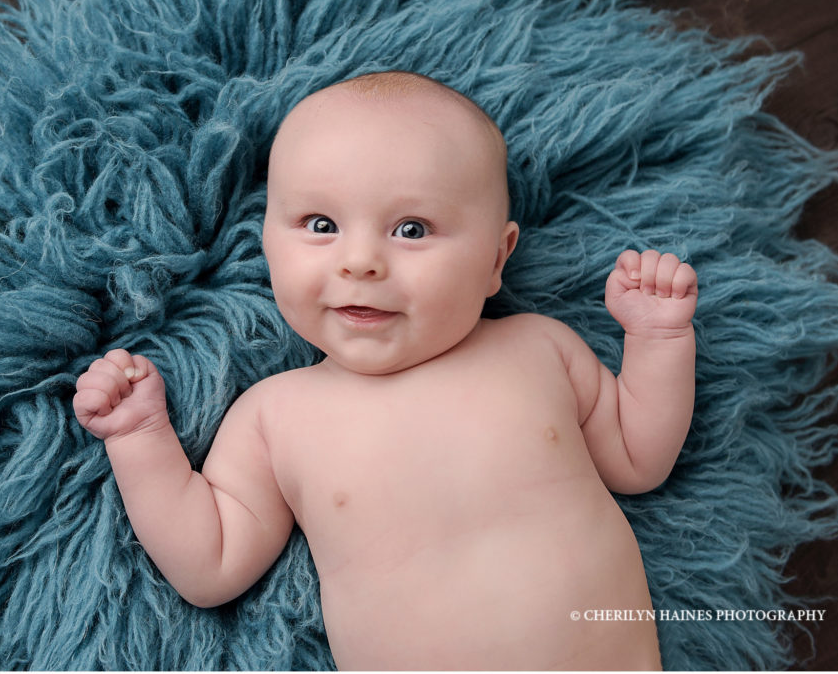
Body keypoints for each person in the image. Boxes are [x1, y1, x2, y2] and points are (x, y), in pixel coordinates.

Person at [74, 71, 698, 670]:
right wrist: (138, 439)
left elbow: (639, 461)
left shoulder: (540, 350)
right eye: (321, 225)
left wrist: (659, 338)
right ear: (267, 245)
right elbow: (208, 566)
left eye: (411, 228)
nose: (361, 261)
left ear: (494, 258)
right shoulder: (276, 416)